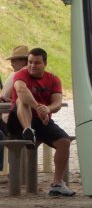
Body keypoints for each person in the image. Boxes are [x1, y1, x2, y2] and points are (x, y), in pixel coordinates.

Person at [7, 47, 75, 196]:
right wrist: (38, 107)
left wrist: (48, 109)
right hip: (18, 120)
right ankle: (28, 130)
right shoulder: (21, 74)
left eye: (37, 63)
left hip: (42, 121)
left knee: (64, 142)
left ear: (45, 63)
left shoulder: (53, 79)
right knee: (21, 100)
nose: (32, 65)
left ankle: (57, 184)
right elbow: (21, 91)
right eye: (30, 62)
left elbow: (57, 102)